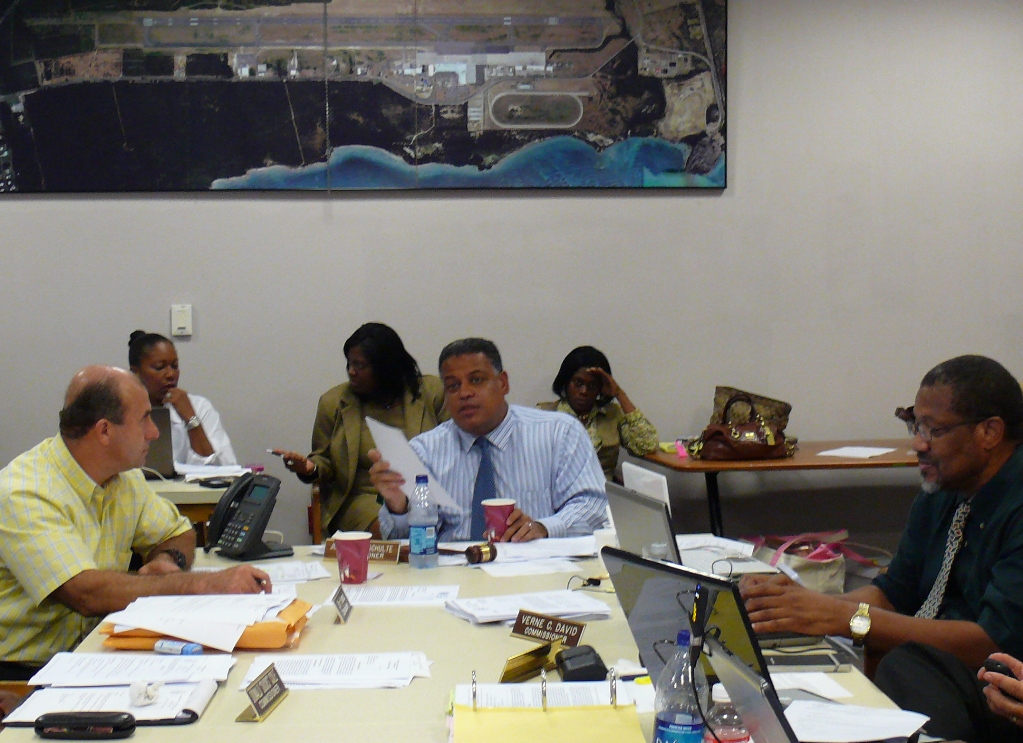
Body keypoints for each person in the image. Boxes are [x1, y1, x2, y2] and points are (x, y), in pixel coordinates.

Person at [739, 355, 1023, 743]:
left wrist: (846, 619)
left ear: (989, 432)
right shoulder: (944, 489)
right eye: (913, 425)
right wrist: (800, 609)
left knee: (906, 664)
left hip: (998, 688)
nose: (917, 444)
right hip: (938, 675)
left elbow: (991, 641)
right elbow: (895, 592)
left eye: (932, 430)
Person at [0, 366, 271, 676]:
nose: (154, 433)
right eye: (144, 419)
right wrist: (204, 583)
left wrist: (168, 560)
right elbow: (86, 593)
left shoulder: (123, 478)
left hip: (97, 649)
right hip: (25, 672)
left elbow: (178, 531)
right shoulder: (26, 492)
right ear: (104, 431)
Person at [369, 337, 608, 542]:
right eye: (453, 386)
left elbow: (594, 507)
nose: (464, 393)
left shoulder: (558, 434)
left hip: (537, 569)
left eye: (476, 380)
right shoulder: (424, 451)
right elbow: (406, 541)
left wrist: (544, 527)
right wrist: (398, 506)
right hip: (455, 574)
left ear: (502, 383)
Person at [274, 323, 447, 539]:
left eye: (359, 365)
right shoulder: (334, 403)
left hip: (425, 492)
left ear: (385, 367)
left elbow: (453, 444)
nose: (351, 372)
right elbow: (324, 460)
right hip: (365, 497)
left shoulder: (432, 393)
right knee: (389, 534)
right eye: (349, 364)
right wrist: (309, 468)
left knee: (438, 522)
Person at [538, 345, 658, 480]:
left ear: (601, 388)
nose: (584, 391)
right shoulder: (545, 415)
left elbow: (647, 445)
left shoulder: (612, 415)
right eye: (578, 383)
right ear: (566, 382)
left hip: (604, 495)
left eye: (592, 385)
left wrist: (619, 394)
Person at [128, 330, 237, 466]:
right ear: (135, 373)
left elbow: (223, 468)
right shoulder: (121, 409)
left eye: (175, 366)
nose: (171, 374)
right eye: (160, 367)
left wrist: (191, 419)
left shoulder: (199, 406)